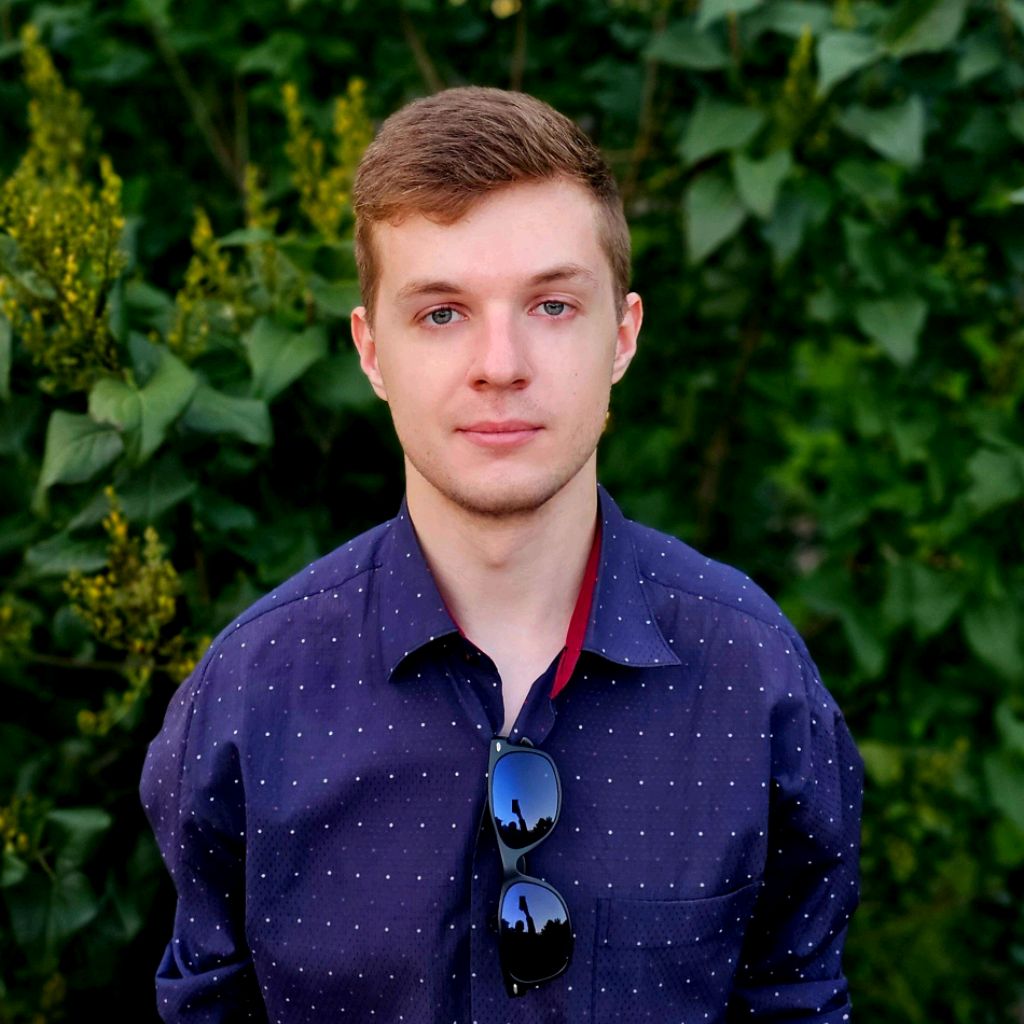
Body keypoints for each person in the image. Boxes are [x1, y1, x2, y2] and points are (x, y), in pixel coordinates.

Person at [140, 86, 863, 1023]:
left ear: (623, 336)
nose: (501, 363)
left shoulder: (755, 679)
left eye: (552, 305)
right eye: (441, 313)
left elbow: (799, 999)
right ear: (371, 351)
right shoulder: (249, 693)